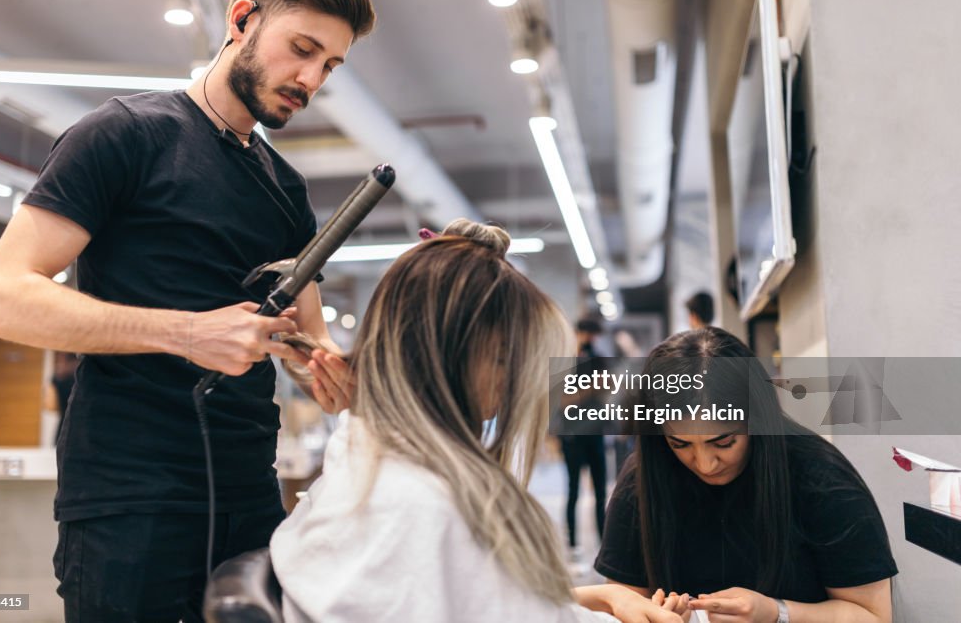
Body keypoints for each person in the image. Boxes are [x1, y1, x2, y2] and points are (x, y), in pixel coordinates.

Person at [0, 0, 373, 620]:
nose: (311, 77)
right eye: (301, 48)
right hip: (129, 499)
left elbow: (309, 341)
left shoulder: (286, 191)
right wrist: (187, 332)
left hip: (249, 496)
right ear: (242, 19)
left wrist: (331, 375)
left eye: (329, 64)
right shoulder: (122, 137)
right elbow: (0, 299)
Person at [270, 220, 686, 623]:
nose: (512, 386)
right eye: (504, 359)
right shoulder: (422, 503)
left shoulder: (369, 455)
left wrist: (593, 597)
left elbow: (464, 599)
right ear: (443, 355)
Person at [595, 327, 896, 622]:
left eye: (723, 442)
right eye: (680, 444)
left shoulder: (821, 479)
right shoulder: (643, 479)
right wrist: (655, 614)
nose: (705, 464)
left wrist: (778, 613)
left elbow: (873, 615)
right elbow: (619, 604)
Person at [558, 318, 608, 562]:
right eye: (587, 335)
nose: (590, 341)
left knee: (600, 492)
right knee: (573, 490)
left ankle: (605, 544)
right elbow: (561, 401)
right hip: (573, 437)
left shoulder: (597, 360)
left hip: (595, 433)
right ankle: (573, 545)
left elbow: (606, 395)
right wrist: (589, 389)